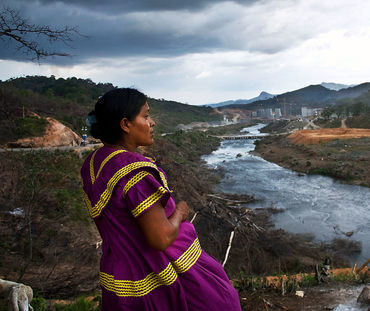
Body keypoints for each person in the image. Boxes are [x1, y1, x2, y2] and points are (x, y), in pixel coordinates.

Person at [80, 88, 241, 310]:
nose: (152, 122)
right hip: (153, 276)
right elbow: (161, 239)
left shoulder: (94, 163)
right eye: (145, 116)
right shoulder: (134, 173)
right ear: (125, 124)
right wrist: (180, 212)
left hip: (119, 277)